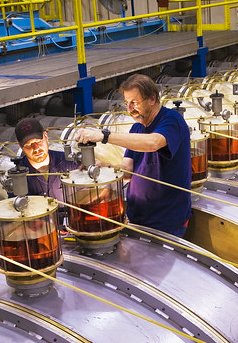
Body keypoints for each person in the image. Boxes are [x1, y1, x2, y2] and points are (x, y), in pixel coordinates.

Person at [73, 73, 192, 237]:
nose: (129, 109)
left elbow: (153, 143)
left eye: (134, 103)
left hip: (166, 221)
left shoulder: (172, 121)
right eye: (127, 103)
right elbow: (128, 170)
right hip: (138, 217)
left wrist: (105, 136)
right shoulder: (137, 128)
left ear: (151, 99)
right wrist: (105, 169)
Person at [13, 117, 79, 200]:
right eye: (29, 145)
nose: (36, 148)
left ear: (45, 136)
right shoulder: (17, 177)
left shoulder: (70, 163)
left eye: (38, 142)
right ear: (20, 146)